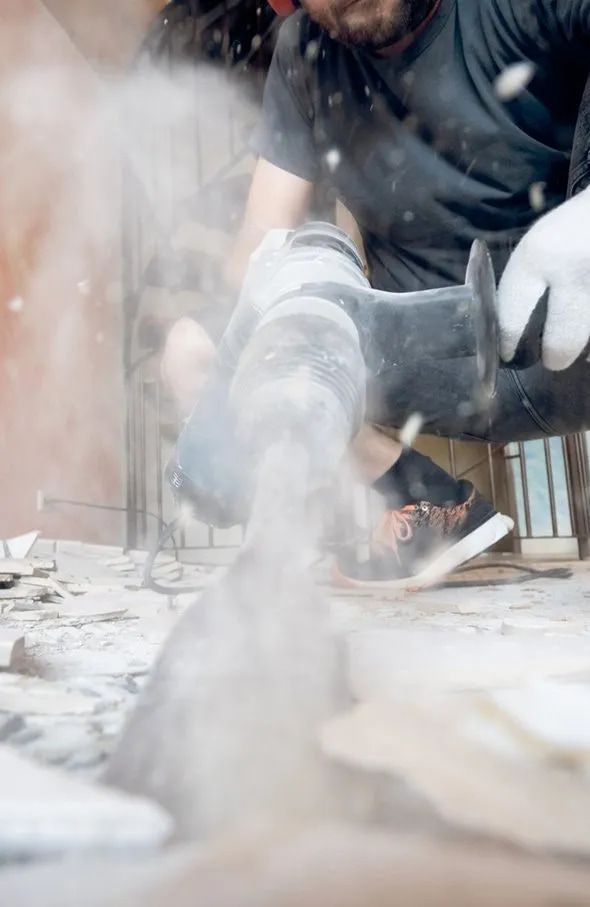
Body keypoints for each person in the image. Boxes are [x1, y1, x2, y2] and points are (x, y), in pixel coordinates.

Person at [161, 0, 590, 588]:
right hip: (415, 354)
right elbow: (255, 250)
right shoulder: (304, 53)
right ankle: (421, 504)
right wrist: (243, 371)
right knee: (196, 349)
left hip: (571, 330)